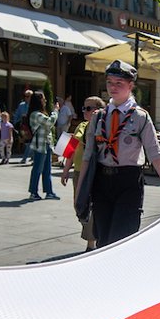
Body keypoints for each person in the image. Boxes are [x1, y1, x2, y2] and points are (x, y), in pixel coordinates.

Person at [80, 60, 160, 245]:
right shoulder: (99, 117)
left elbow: (156, 155)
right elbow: (88, 156)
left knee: (121, 238)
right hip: (101, 182)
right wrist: (81, 192)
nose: (113, 87)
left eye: (119, 83)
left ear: (131, 85)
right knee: (103, 240)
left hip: (128, 182)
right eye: (110, 82)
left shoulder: (140, 117)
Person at [62, 94, 105, 249]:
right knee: (79, 205)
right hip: (79, 171)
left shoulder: (103, 127)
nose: (85, 111)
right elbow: (71, 148)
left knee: (90, 206)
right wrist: (66, 170)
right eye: (83, 108)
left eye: (88, 108)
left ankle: (91, 242)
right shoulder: (81, 126)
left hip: (94, 172)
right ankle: (93, 236)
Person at [26, 91, 58, 201]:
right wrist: (55, 111)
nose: (45, 101)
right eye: (43, 99)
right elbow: (49, 122)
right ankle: (33, 192)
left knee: (47, 170)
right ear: (38, 100)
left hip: (46, 144)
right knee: (37, 169)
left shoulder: (39, 113)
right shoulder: (35, 114)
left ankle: (49, 192)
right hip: (40, 145)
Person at [12, 87, 33, 163]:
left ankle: (25, 158)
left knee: (30, 142)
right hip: (24, 126)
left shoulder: (34, 105)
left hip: (32, 126)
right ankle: (32, 156)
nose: (26, 98)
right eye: (25, 96)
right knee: (27, 142)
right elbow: (17, 115)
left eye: (28, 96)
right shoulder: (21, 105)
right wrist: (15, 124)